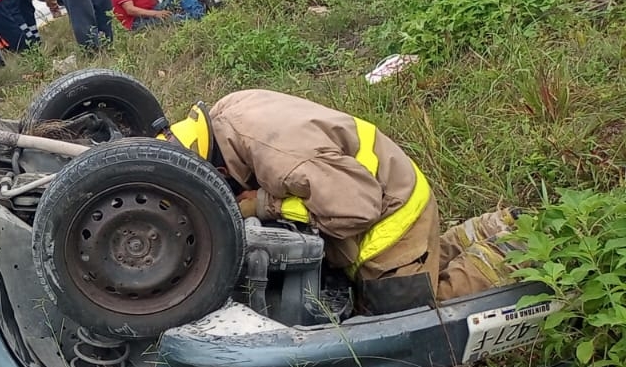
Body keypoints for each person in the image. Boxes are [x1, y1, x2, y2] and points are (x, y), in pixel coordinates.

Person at [160, 91, 518, 309]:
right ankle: (488, 227)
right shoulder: (228, 113)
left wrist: (266, 204)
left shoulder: (284, 160)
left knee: (408, 314)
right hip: (386, 184)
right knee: (420, 267)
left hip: (388, 220)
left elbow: (357, 210)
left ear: (218, 172)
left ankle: (509, 251)